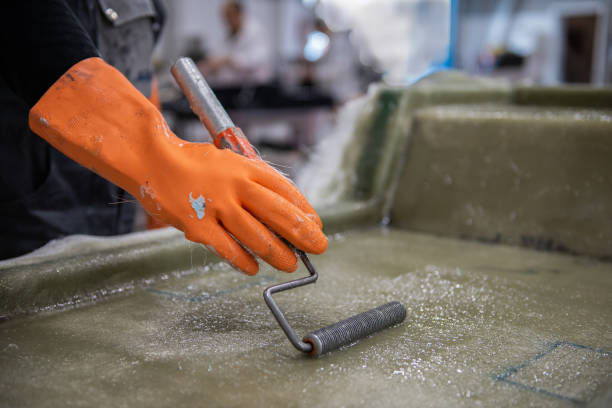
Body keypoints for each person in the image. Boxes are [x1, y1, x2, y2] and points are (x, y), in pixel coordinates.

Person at [0, 1, 327, 275]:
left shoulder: (149, 6)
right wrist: (163, 157)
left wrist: (157, 222)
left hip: (115, 217)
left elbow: (139, 81)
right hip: (26, 210)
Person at [199, 1, 274, 88]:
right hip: (231, 88)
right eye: (225, 17)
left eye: (229, 16)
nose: (226, 21)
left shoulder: (255, 31)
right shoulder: (228, 35)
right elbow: (218, 56)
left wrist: (229, 60)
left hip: (254, 87)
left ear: (238, 13)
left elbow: (259, 61)